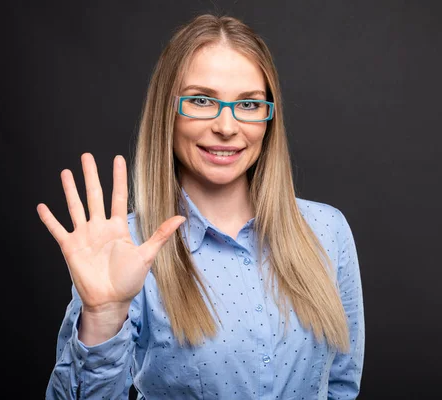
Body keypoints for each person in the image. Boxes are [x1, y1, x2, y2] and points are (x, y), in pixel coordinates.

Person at [37, 12, 365, 400]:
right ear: (167, 112)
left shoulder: (327, 231)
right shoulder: (127, 250)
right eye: (201, 100)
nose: (227, 126)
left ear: (268, 119)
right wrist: (103, 317)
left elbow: (341, 386)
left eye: (248, 104)